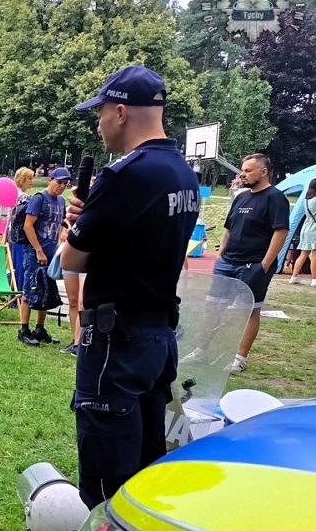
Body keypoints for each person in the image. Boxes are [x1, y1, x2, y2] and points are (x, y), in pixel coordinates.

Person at [61, 65, 199, 508]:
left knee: (107, 472)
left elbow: (73, 259)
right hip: (159, 335)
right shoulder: (183, 173)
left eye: (99, 113)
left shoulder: (124, 175)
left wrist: (78, 227)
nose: (98, 124)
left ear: (120, 112)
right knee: (146, 457)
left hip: (116, 340)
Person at [207, 154, 290, 372]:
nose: (243, 174)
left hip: (253, 264)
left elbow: (280, 232)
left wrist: (264, 265)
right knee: (213, 305)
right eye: (243, 169)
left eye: (248, 170)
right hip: (228, 262)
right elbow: (228, 227)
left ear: (263, 172)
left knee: (250, 310)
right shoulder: (241, 197)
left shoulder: (275, 198)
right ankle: (202, 349)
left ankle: (239, 359)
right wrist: (221, 253)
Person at [17, 167, 68, 347]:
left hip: (51, 253)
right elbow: (28, 226)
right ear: (50, 180)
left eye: (65, 183)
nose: (61, 186)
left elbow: (62, 224)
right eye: (58, 182)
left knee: (45, 290)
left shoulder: (61, 202)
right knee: (29, 290)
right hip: (34, 254)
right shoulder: (39, 199)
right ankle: (23, 330)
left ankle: (40, 328)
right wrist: (38, 250)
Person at [288, 179, 316, 286]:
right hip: (314, 229)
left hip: (306, 228)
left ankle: (294, 277)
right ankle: (314, 279)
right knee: (314, 255)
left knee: (303, 254)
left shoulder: (306, 200)